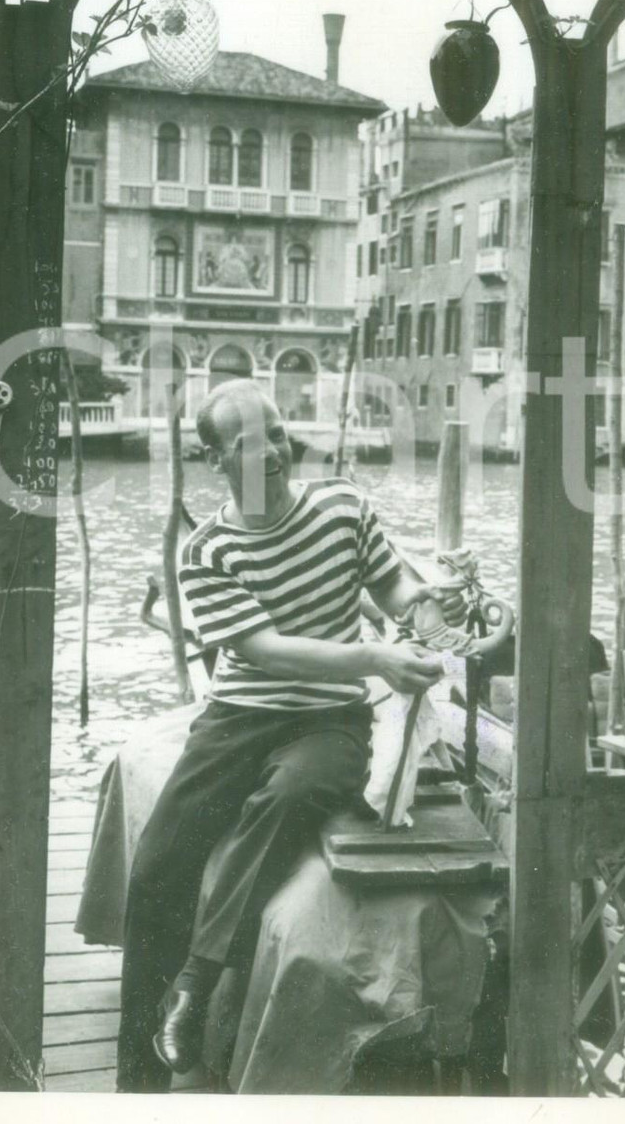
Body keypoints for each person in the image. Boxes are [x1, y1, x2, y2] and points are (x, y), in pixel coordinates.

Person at [116, 379, 466, 1092]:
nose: (274, 452)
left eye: (277, 433)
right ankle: (137, 1084)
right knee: (157, 863)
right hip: (239, 715)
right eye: (249, 444)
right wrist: (377, 657)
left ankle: (195, 986)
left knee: (287, 797)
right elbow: (268, 651)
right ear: (215, 459)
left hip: (331, 716)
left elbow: (395, 589)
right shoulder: (206, 551)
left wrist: (429, 608)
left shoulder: (343, 508)